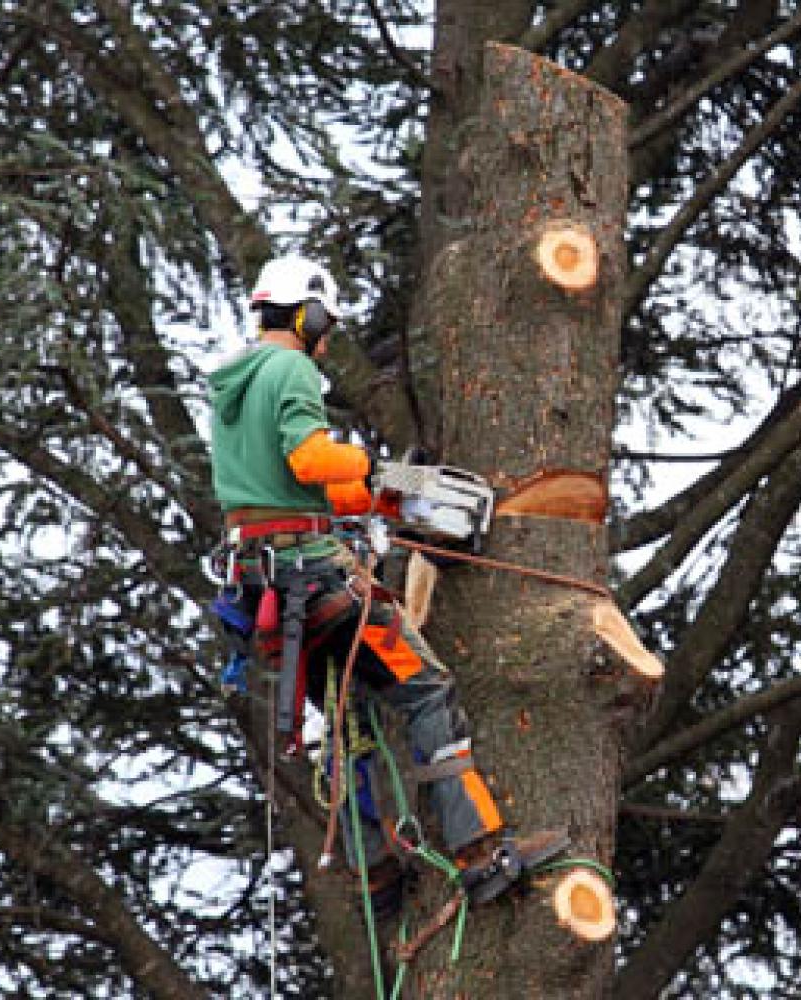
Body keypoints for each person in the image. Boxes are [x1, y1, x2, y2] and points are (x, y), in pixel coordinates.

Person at [207, 254, 564, 914]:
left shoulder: (234, 386)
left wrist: (373, 494)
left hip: (264, 583)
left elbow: (285, 488)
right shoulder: (289, 368)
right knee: (426, 690)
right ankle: (480, 855)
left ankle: (373, 868)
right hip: (314, 579)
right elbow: (311, 458)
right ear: (307, 313)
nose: (325, 336)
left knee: (351, 717)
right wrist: (367, 462)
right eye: (324, 324)